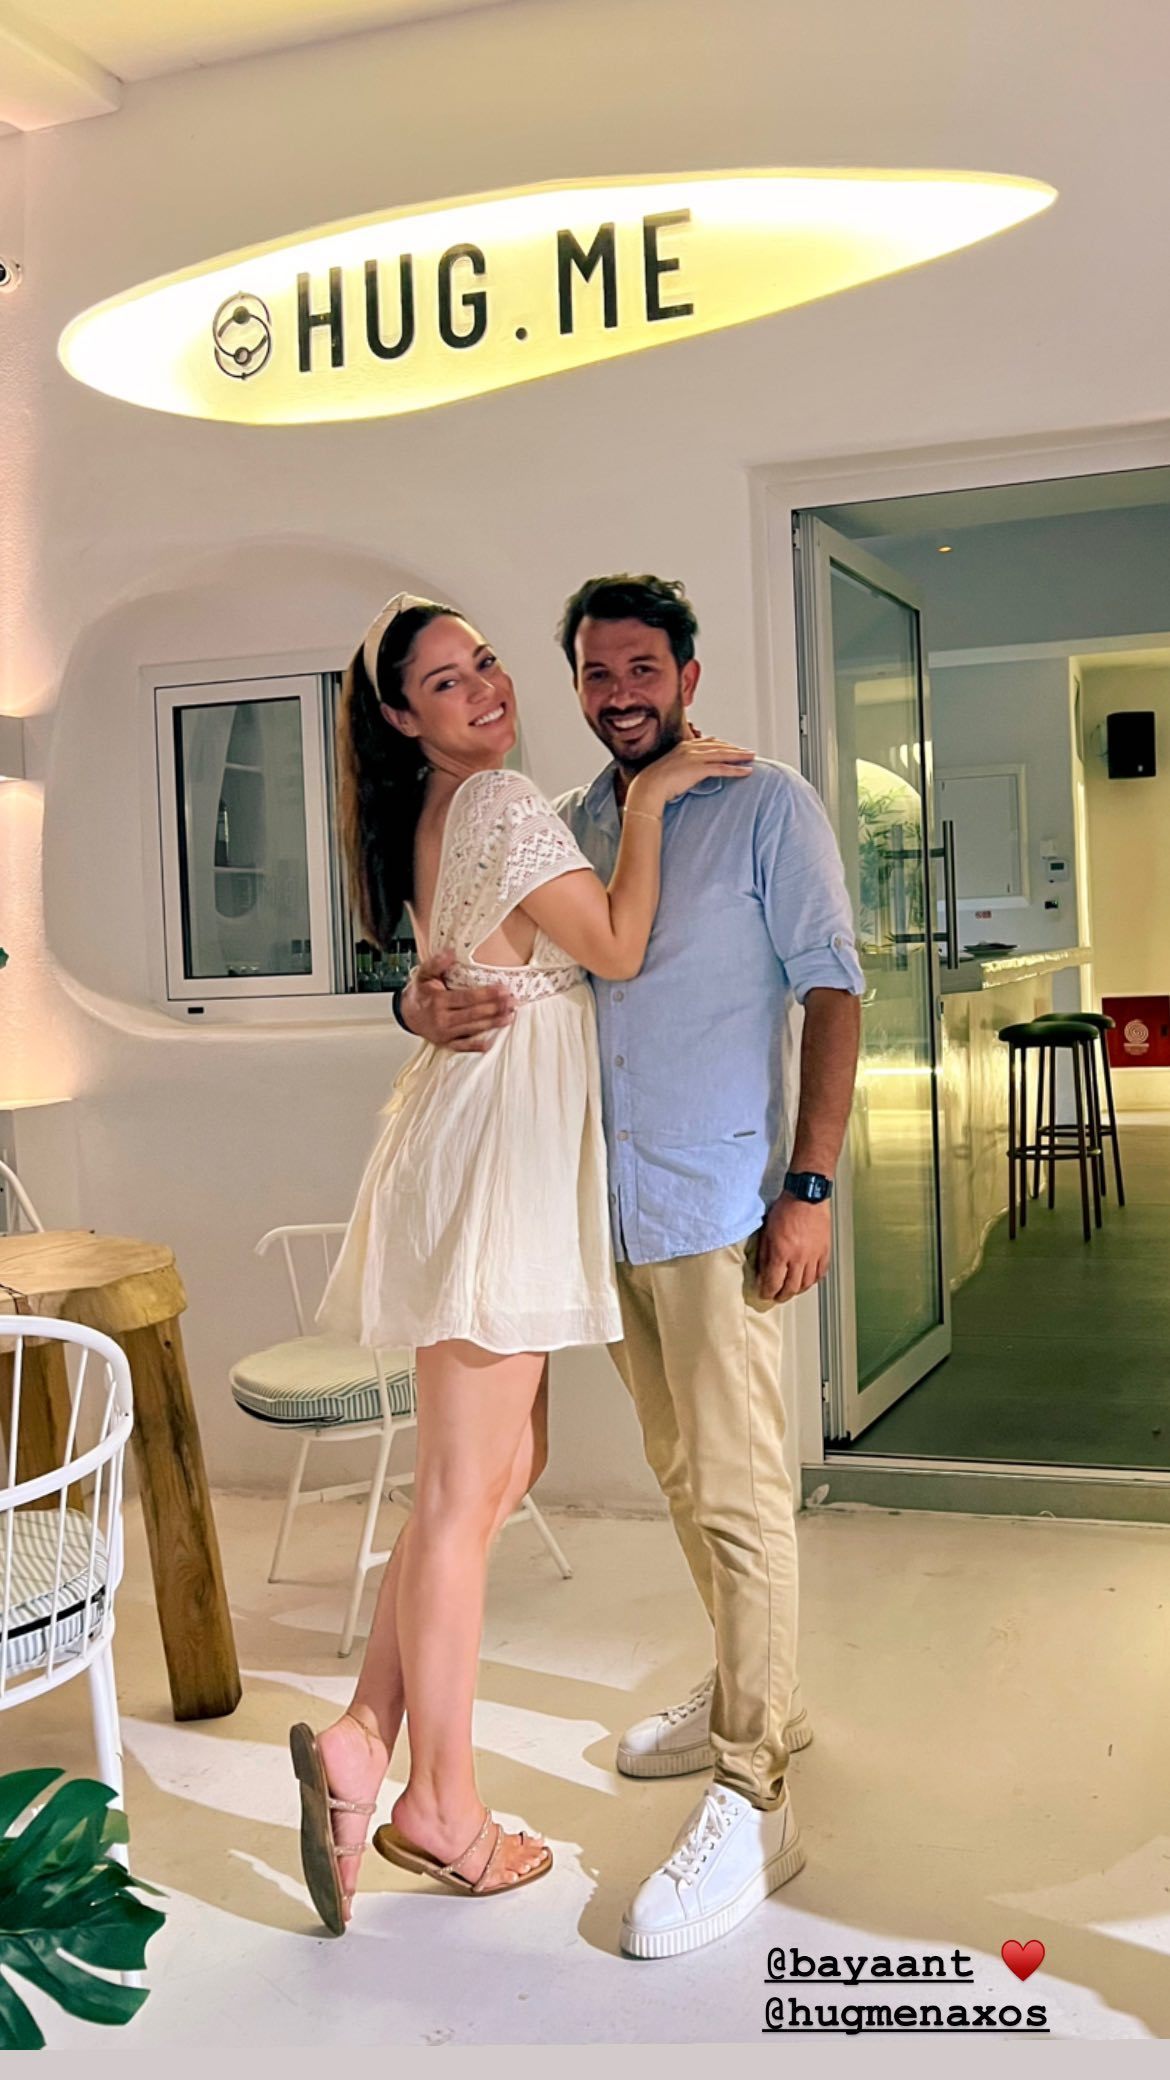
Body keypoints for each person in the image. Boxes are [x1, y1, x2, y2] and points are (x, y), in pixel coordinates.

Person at [396, 574, 863, 1958]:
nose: (618, 694)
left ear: (688, 674)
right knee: (681, 1476)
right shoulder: (571, 816)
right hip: (601, 1209)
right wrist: (416, 996)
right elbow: (495, 963)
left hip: (722, 1203)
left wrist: (810, 1185)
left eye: (642, 667)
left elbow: (834, 987)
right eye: (596, 673)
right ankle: (752, 1691)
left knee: (739, 1493)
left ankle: (754, 1790)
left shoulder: (767, 804)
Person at [288, 590, 753, 1934]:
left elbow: (479, 962)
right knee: (457, 1494)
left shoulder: (461, 807)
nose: (485, 687)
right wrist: (653, 800)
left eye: (485, 662)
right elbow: (615, 945)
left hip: (485, 1146)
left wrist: (415, 998)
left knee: (503, 1468)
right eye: (446, 681)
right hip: (495, 1161)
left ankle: (365, 1737)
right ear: (400, 717)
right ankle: (441, 1807)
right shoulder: (497, 803)